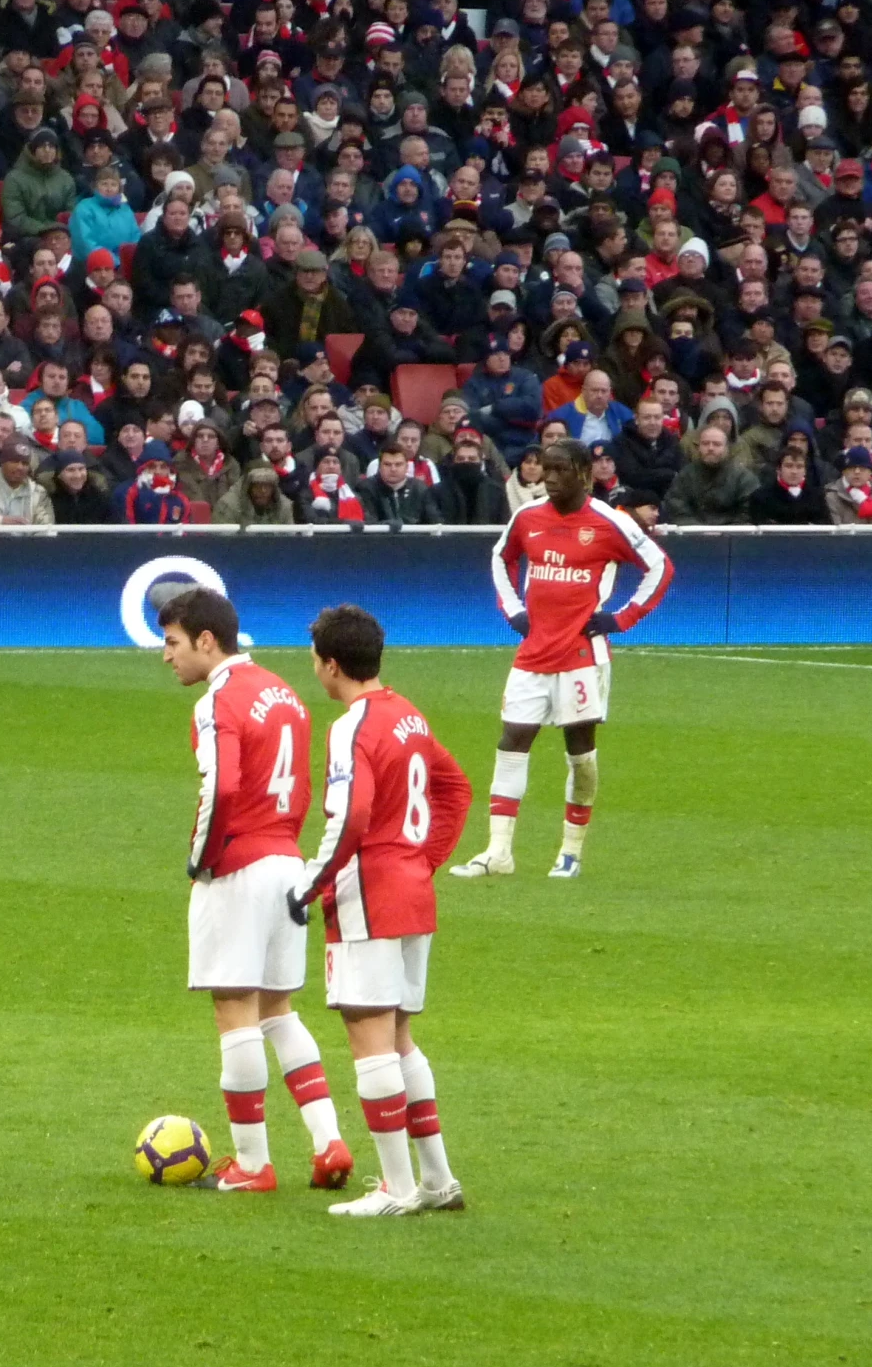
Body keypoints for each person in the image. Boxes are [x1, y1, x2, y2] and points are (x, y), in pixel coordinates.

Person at [158, 585, 351, 1195]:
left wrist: (200, 861)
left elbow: (223, 787)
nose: (167, 656)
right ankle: (329, 1143)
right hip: (286, 862)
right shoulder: (284, 691)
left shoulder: (220, 700)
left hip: (238, 867)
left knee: (234, 1011)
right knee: (278, 1010)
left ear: (206, 640)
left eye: (172, 643)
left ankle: (251, 1164)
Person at [287, 603, 472, 1218]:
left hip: (369, 895)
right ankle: (438, 1181)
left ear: (330, 664)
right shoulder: (408, 715)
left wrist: (310, 886)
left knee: (370, 1038)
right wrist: (424, 860)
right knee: (400, 1039)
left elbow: (352, 816)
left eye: (315, 659)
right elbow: (455, 787)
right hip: (413, 894)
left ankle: (396, 1188)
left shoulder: (353, 727)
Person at [454, 439, 674, 881]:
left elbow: (660, 567)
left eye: (558, 471)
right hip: (533, 652)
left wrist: (623, 617)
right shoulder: (527, 517)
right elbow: (501, 558)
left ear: (583, 472)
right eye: (543, 469)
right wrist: (514, 609)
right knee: (511, 741)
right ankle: (499, 851)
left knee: (580, 754)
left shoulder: (611, 522)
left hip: (582, 657)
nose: (548, 479)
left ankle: (570, 852)